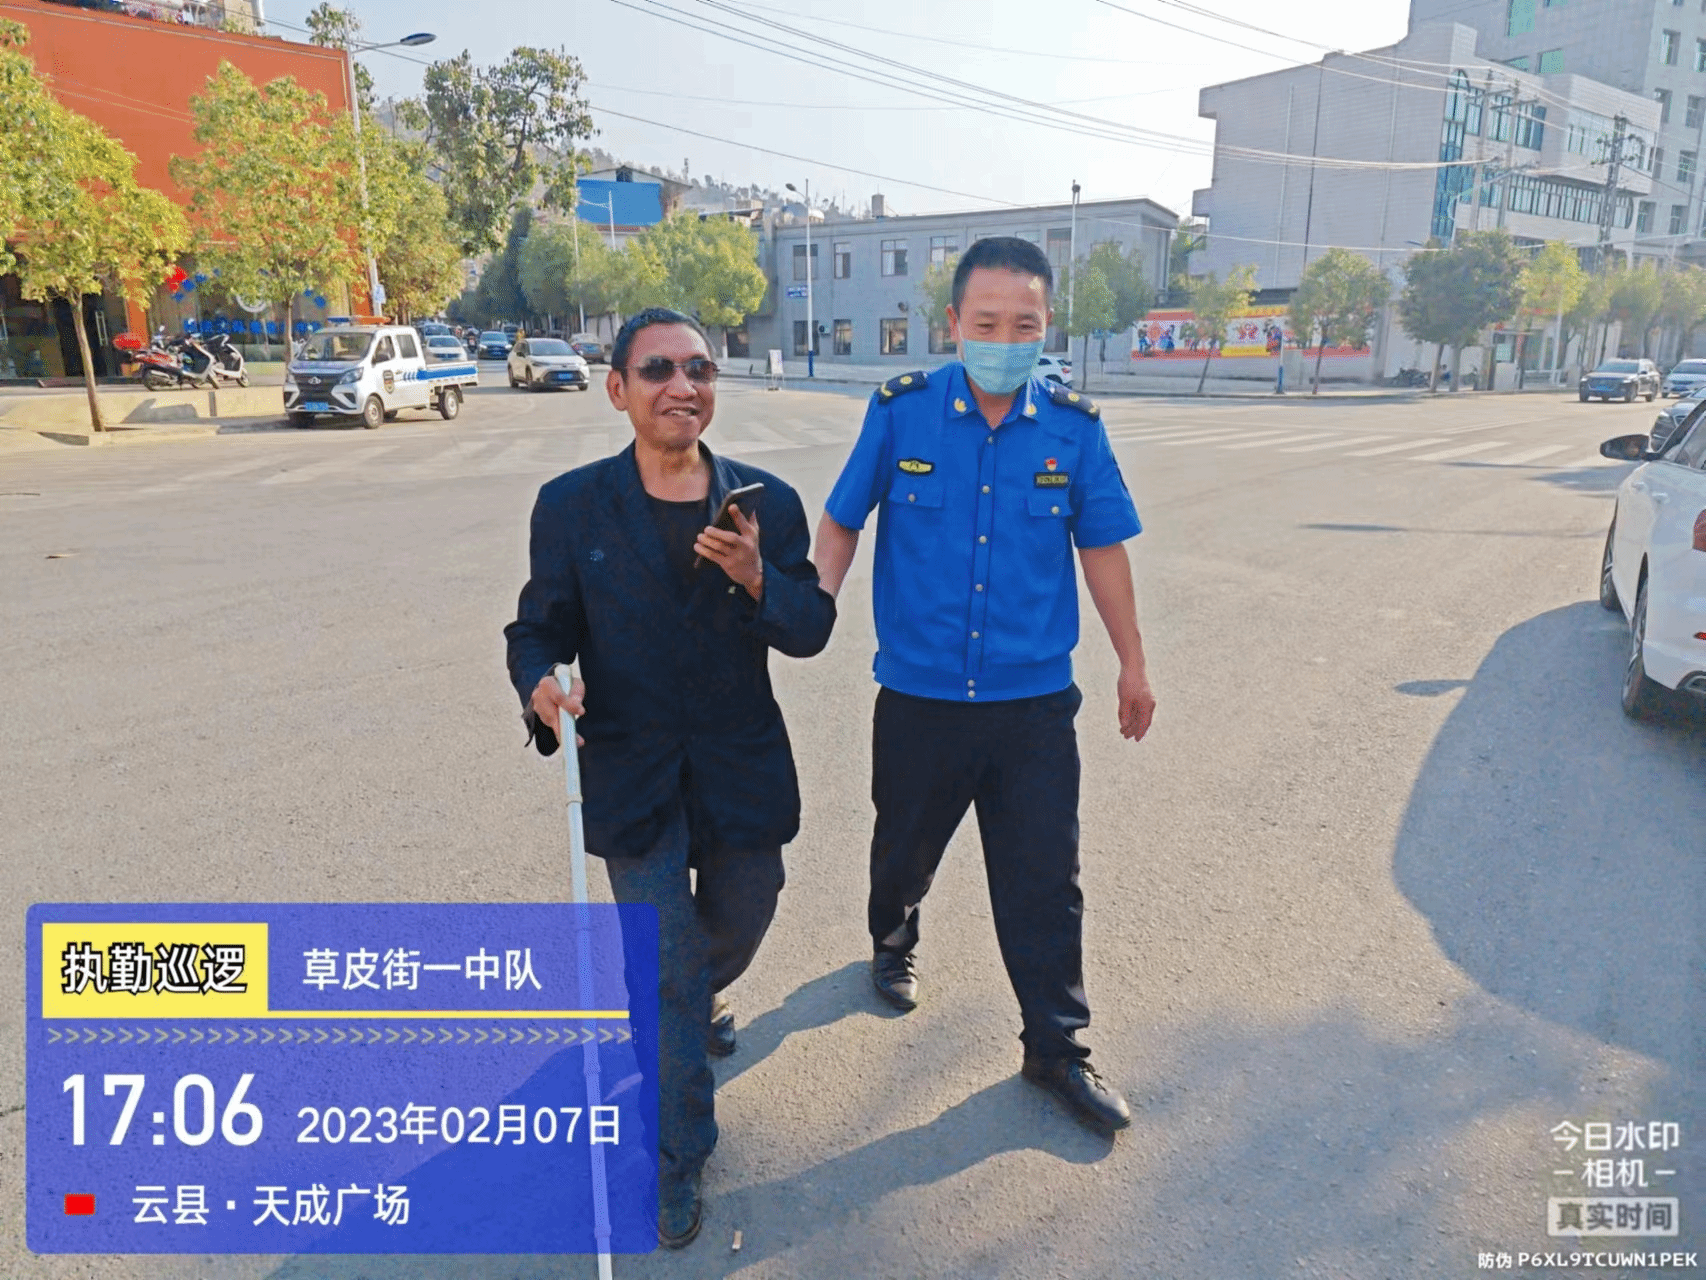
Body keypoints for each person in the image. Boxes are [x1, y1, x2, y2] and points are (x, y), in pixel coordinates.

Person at [504, 307, 836, 1247]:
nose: (682, 386)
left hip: (740, 767)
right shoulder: (571, 506)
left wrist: (761, 579)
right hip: (632, 770)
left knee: (741, 916)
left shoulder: (765, 503)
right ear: (618, 389)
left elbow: (812, 627)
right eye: (658, 370)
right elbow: (538, 628)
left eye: (699, 369)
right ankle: (677, 1154)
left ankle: (682, 1001)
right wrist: (540, 682)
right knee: (665, 972)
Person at [814, 236, 1156, 1136]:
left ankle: (1057, 1047)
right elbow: (842, 520)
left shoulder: (1074, 429)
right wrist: (815, 604)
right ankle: (893, 938)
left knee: (1046, 881)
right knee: (904, 850)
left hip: (1032, 706)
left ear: (1047, 328)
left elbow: (1102, 549)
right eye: (988, 322)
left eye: (1025, 325)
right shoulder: (902, 413)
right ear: (954, 323)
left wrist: (1132, 661)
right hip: (920, 699)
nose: (1006, 339)